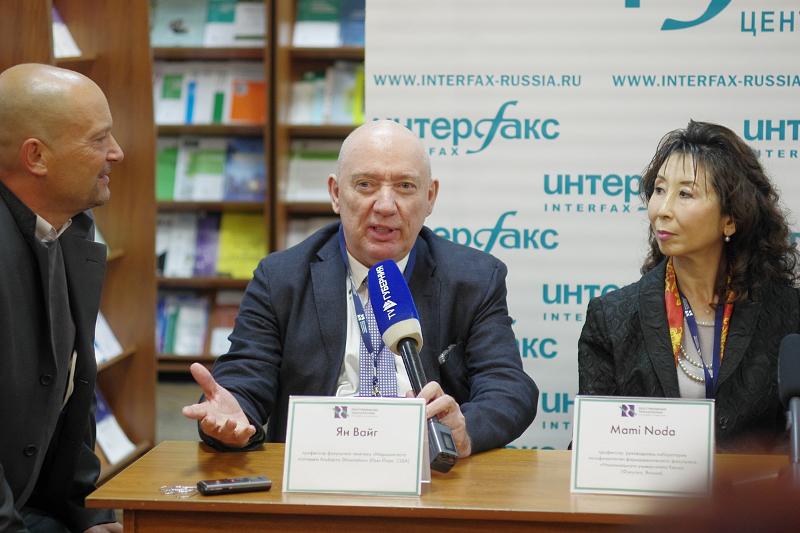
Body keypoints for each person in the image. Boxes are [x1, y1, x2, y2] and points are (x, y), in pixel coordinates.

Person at [183, 120, 538, 457]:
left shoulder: (474, 279)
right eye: (366, 185)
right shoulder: (281, 278)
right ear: (336, 193)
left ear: (430, 197)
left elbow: (508, 388)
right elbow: (245, 377)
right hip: (317, 468)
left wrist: (463, 429)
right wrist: (233, 413)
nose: (384, 206)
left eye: (405, 186)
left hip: (427, 467)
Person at [578, 120, 799, 451]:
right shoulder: (611, 318)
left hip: (754, 485)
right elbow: (594, 444)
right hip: (650, 483)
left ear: (731, 218)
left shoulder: (787, 314)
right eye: (659, 190)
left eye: (685, 194)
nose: (662, 210)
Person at [0, 64, 124, 532]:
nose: (117, 152)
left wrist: (89, 516)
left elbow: (70, 392)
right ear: (36, 156)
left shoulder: (71, 229)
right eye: (99, 139)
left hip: (32, 508)